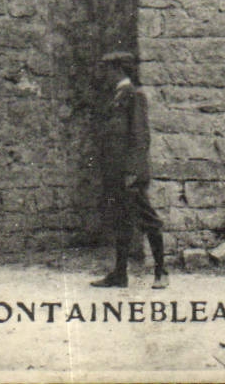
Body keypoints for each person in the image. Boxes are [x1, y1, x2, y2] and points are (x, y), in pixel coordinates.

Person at [91, 51, 167, 290]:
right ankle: (120, 274)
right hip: (116, 172)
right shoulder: (115, 96)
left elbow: (140, 136)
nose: (103, 75)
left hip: (130, 173)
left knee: (148, 220)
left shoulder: (134, 96)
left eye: (106, 69)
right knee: (121, 221)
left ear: (118, 70)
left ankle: (161, 271)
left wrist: (133, 172)